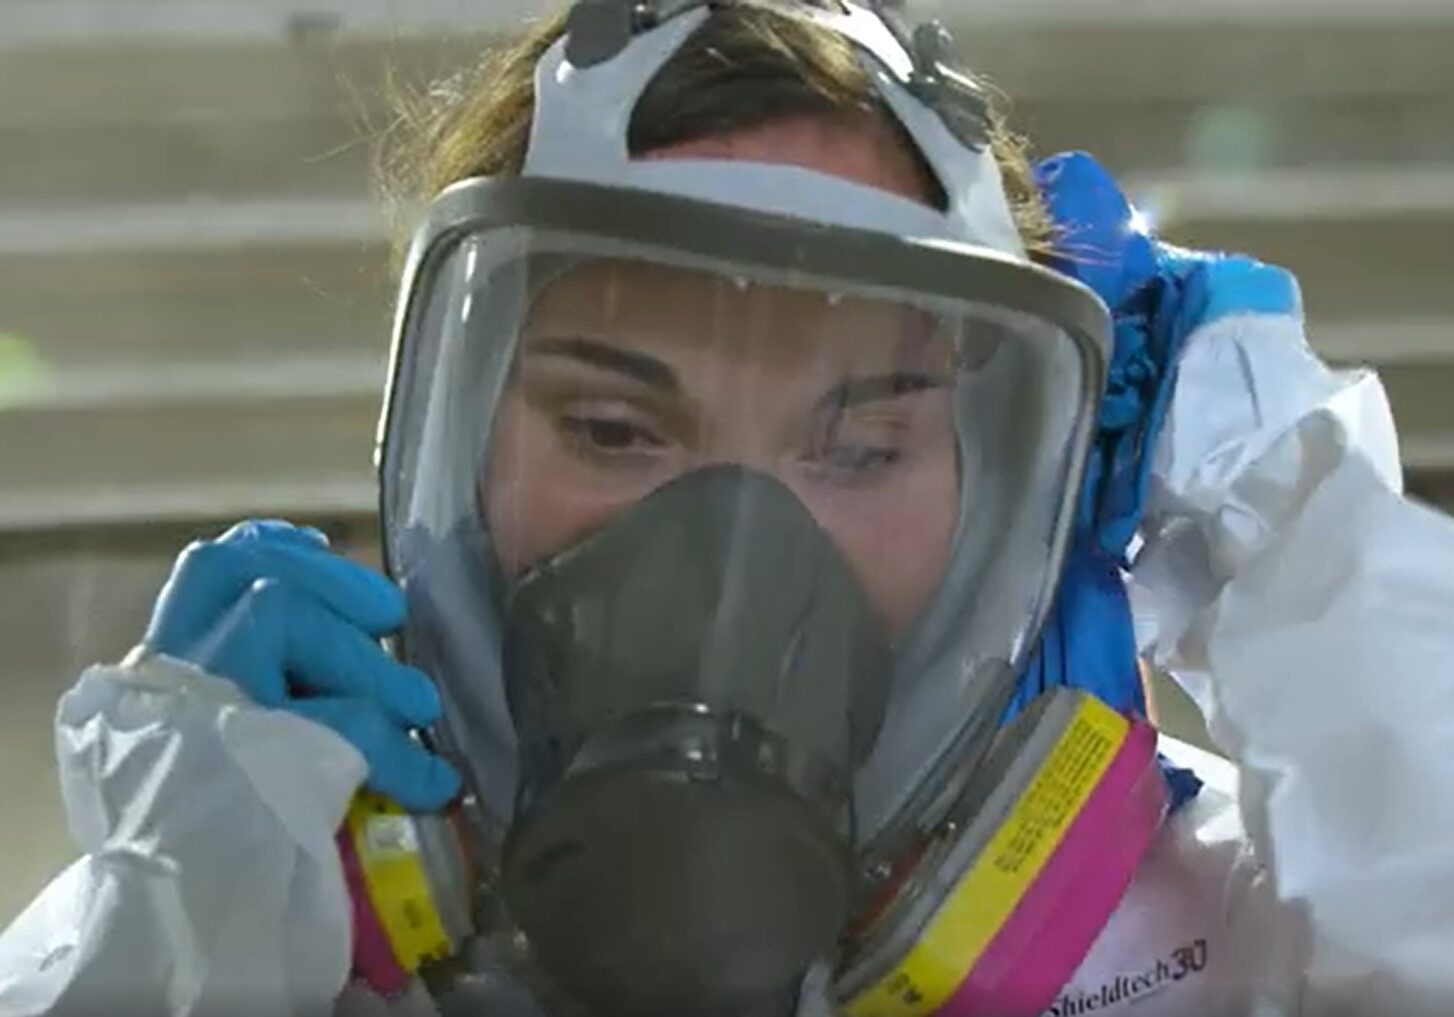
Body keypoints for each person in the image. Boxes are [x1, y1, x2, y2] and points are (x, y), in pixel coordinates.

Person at [3, 2, 1453, 1015]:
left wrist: (1305, 546)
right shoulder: (230, 924)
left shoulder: (1216, 940)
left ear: (1018, 498)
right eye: (617, 426)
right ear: (445, 455)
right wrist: (174, 934)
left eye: (861, 446)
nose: (730, 564)